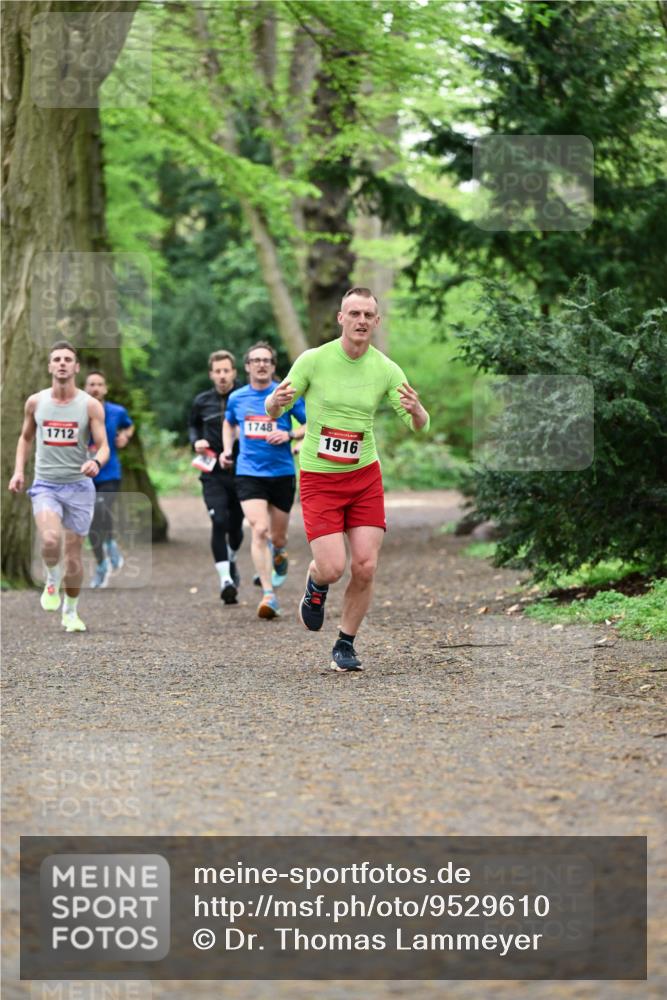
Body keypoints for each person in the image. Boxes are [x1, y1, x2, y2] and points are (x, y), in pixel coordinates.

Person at [265, 287, 430, 672]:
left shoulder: (386, 368)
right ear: (341, 318)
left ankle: (345, 642)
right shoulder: (314, 360)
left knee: (366, 565)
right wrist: (274, 401)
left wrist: (418, 410)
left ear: (376, 321)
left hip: (364, 477)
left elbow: (418, 425)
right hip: (320, 479)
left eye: (367, 315)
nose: (360, 320)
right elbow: (275, 408)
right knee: (333, 567)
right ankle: (316, 582)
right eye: (353, 313)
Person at [8, 341, 110, 632]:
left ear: (76, 367)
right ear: (50, 366)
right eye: (57, 359)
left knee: (74, 555)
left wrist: (97, 463)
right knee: (51, 540)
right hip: (46, 484)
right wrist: (18, 472)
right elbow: (25, 438)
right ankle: (52, 580)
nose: (62, 363)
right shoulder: (36, 402)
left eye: (68, 359)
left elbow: (103, 447)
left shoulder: (90, 405)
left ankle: (71, 611)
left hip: (79, 486)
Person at [222, 341, 306, 620]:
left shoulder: (286, 395)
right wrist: (226, 449)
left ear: (273, 366)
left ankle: (279, 554)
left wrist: (290, 435)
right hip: (249, 473)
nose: (261, 364)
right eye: (255, 360)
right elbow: (229, 422)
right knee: (259, 530)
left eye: (266, 361)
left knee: (278, 537)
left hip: (281, 472)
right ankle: (269, 595)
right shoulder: (237, 398)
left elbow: (311, 423)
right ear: (247, 366)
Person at [189, 350, 244, 604]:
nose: (222, 376)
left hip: (242, 471)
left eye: (226, 371)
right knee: (218, 520)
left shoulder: (245, 396)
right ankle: (225, 581)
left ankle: (232, 559)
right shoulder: (201, 401)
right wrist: (195, 442)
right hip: (212, 472)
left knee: (235, 528)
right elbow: (192, 426)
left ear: (234, 372)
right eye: (217, 371)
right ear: (211, 374)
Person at [84, 370, 134, 588]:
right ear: (85, 388)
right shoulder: (77, 411)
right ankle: (101, 565)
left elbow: (129, 425)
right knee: (91, 521)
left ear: (105, 389)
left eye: (99, 384)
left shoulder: (117, 411)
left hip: (109, 471)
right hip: (83, 473)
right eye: (91, 384)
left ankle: (111, 543)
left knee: (101, 507)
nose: (95, 388)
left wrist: (125, 436)